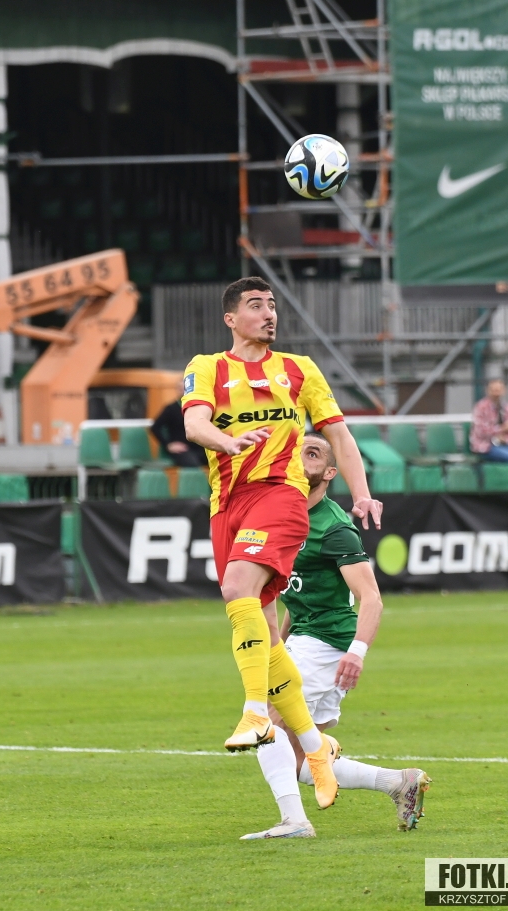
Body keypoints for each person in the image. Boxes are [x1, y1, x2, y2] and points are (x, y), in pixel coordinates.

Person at [182, 276, 382, 812]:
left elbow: (339, 435)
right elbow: (195, 424)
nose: (269, 313)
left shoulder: (299, 369)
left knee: (236, 588)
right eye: (256, 305)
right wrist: (227, 441)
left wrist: (362, 493)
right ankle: (316, 750)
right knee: (268, 635)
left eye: (273, 305)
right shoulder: (208, 367)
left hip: (279, 494)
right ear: (231, 318)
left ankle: (254, 711)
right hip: (227, 503)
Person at [242, 433, 431, 840]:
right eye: (296, 451)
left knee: (268, 725)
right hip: (306, 640)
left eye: (312, 453)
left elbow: (371, 598)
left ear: (330, 473)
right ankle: (398, 782)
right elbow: (296, 596)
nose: (300, 457)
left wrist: (357, 653)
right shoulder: (284, 518)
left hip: (327, 644)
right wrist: (277, 647)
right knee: (299, 758)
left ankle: (294, 822)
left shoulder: (334, 527)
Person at [151, 394, 207, 467]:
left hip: (201, 447)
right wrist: (168, 444)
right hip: (182, 450)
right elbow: (155, 427)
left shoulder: (202, 407)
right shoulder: (171, 408)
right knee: (192, 464)